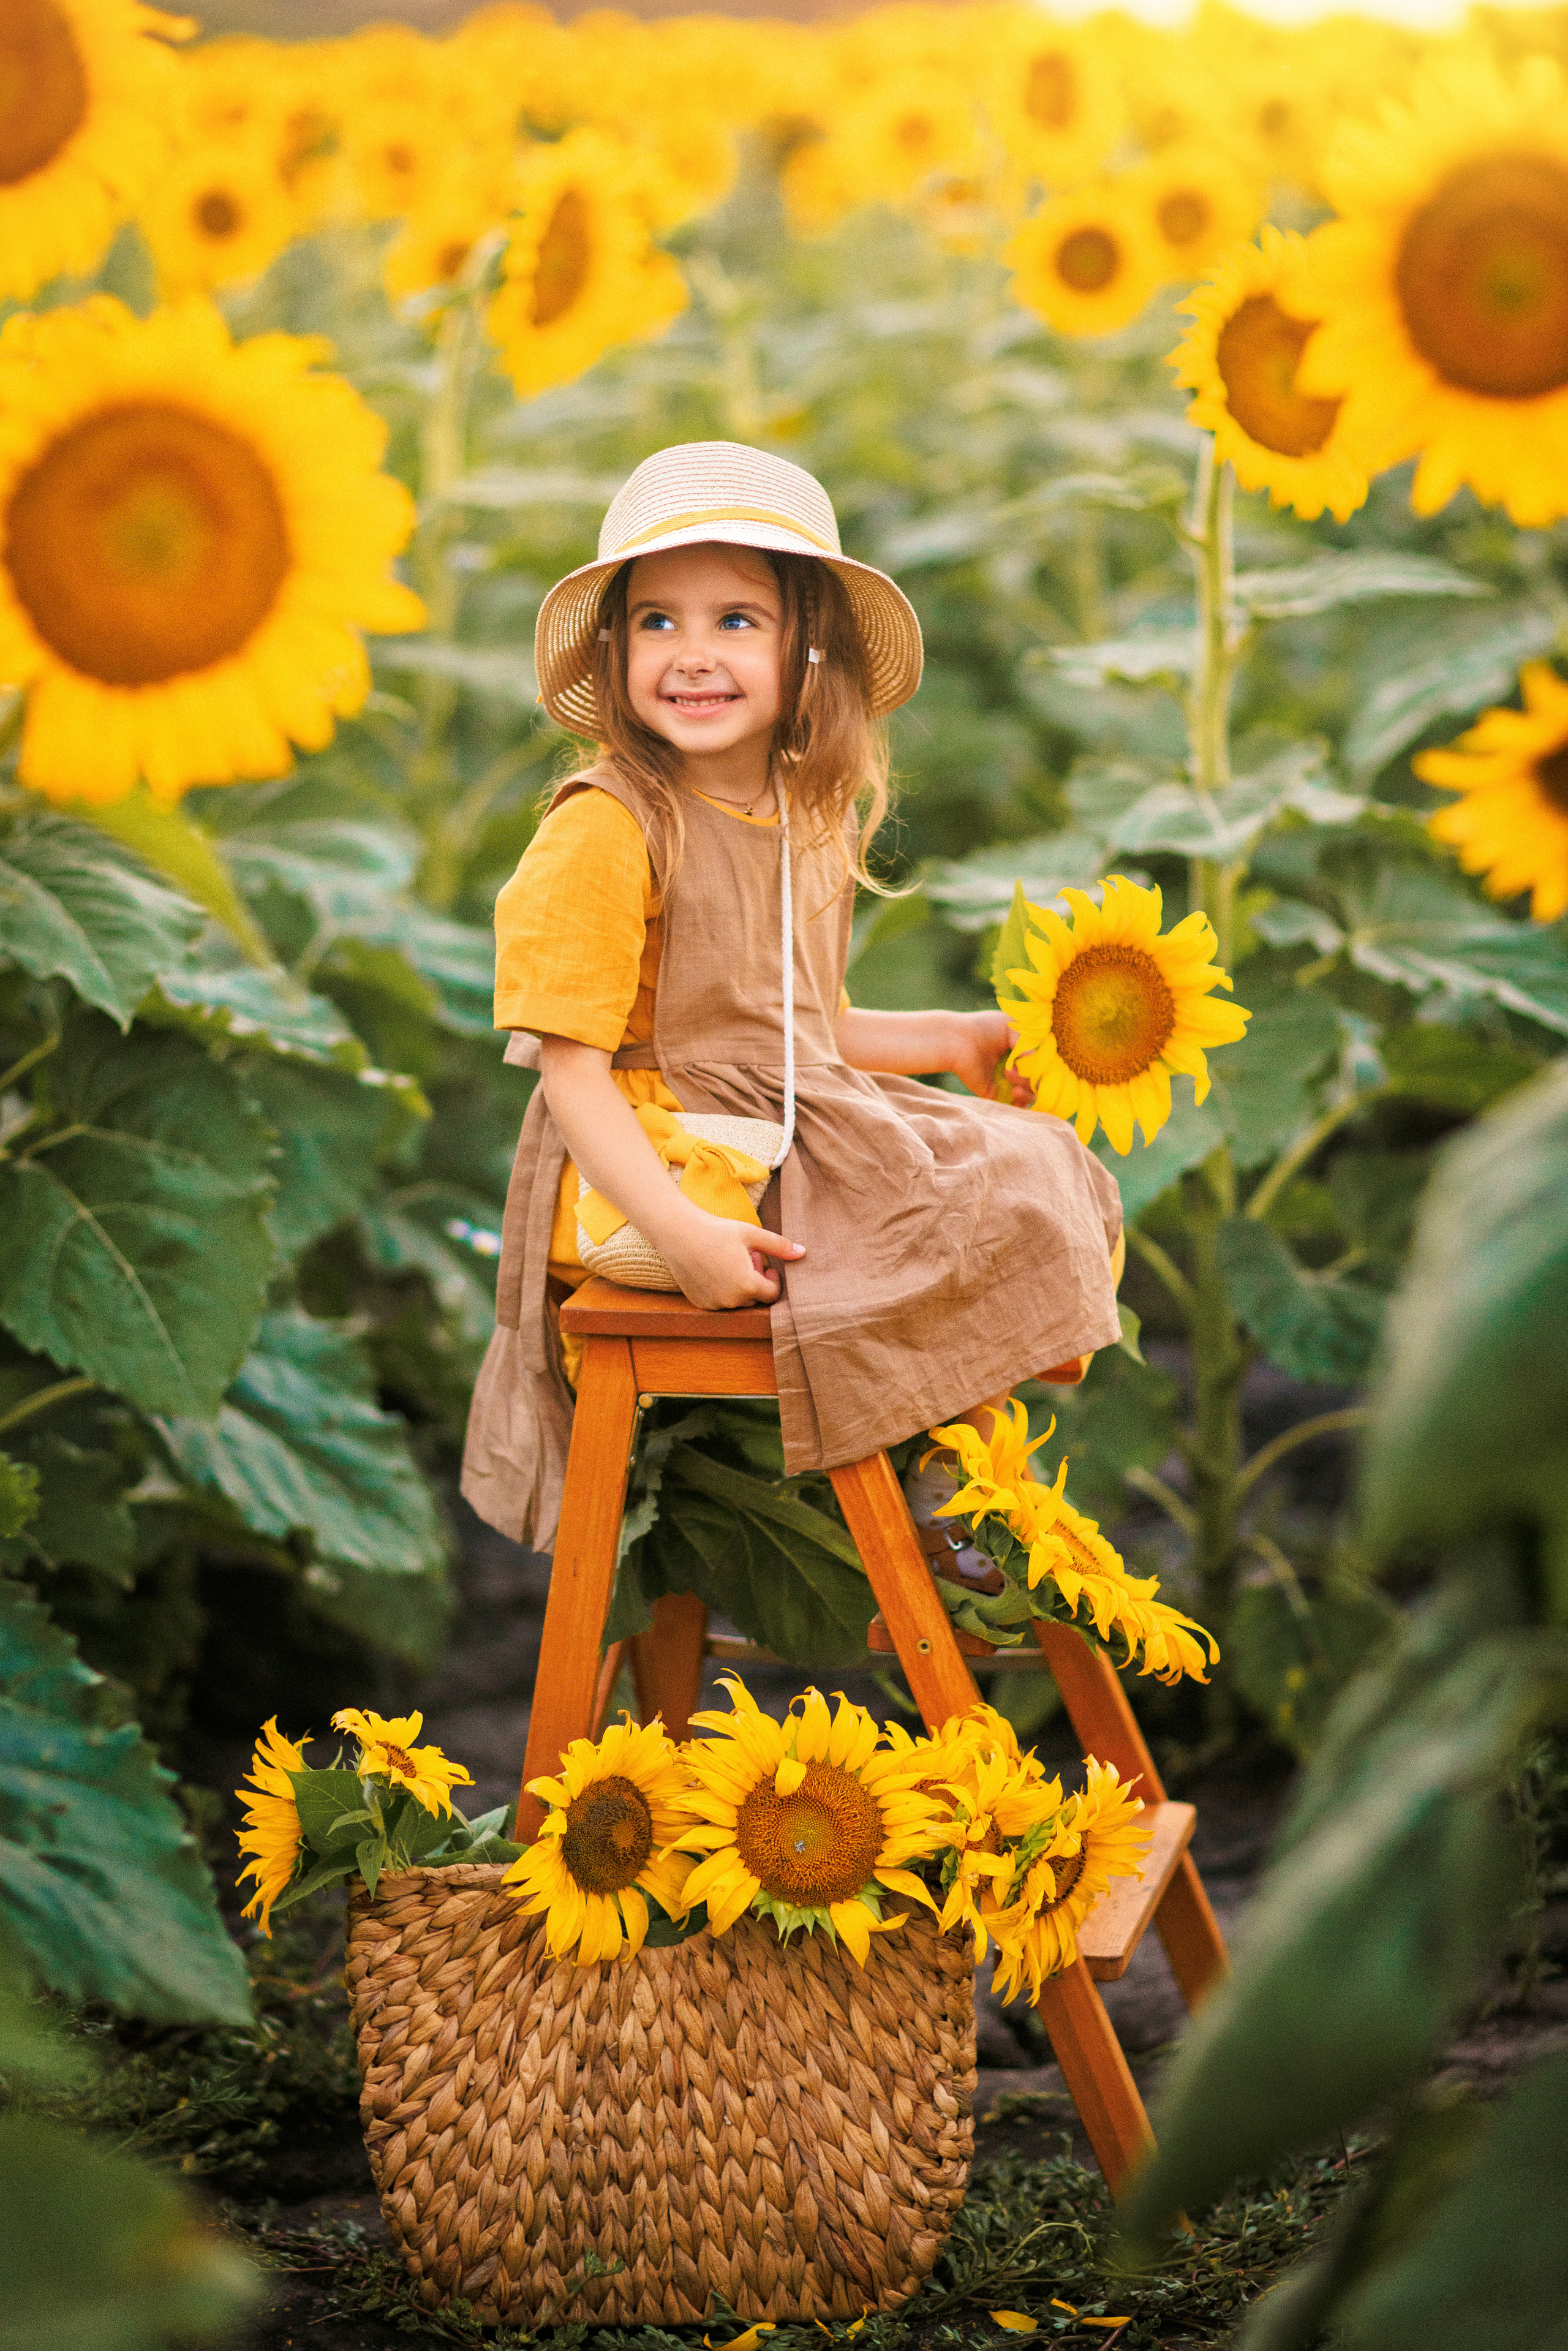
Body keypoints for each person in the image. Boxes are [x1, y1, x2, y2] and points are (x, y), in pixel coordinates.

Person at [461, 440, 1124, 1555]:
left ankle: (945, 1458)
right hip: (662, 1162)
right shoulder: (607, 827)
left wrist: (957, 1035)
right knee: (953, 1206)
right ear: (617, 648)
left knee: (1037, 1162)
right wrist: (677, 1235)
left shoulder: (801, 813)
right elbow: (568, 1068)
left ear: (806, 649)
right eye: (659, 622)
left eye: (736, 620)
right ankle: (921, 1478)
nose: (692, 655)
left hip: (778, 1122)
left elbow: (805, 1030)